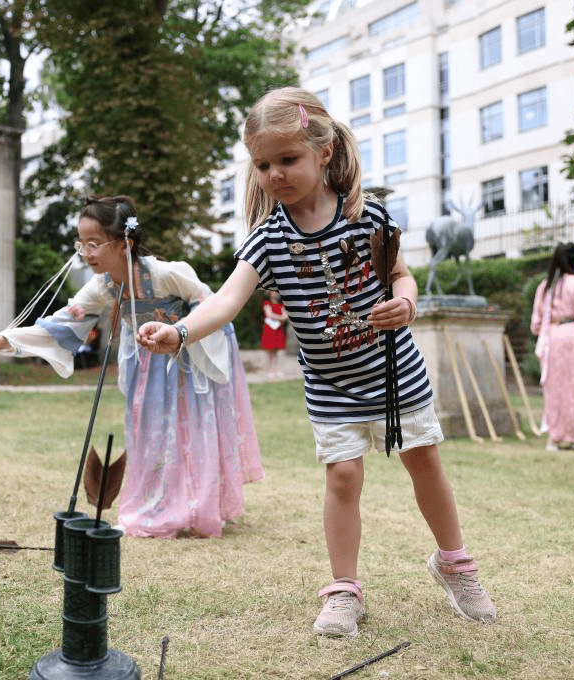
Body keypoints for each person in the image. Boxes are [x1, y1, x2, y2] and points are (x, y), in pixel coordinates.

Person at [137, 87, 495, 637]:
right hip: (331, 384)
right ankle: (344, 589)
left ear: (323, 152)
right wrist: (179, 331)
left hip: (395, 373)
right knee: (343, 477)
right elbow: (228, 301)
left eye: (288, 159)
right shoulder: (267, 240)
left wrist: (407, 301)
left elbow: (400, 274)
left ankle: (454, 561)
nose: (275, 174)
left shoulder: (366, 213)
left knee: (425, 464)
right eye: (263, 164)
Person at [0, 195, 264, 539]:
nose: (86, 252)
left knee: (190, 431)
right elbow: (60, 324)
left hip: (188, 364)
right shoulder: (101, 287)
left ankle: (200, 506)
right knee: (152, 436)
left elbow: (212, 304)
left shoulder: (167, 274)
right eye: (81, 243)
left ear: (124, 242)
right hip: (145, 369)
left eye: (94, 243)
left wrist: (178, 331)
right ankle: (158, 506)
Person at [530, 243, 574, 451]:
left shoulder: (545, 286)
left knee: (553, 388)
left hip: (549, 337)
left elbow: (535, 324)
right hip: (572, 335)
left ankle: (554, 436)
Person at [260, 289, 288, 376]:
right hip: (270, 329)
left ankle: (276, 370)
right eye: (273, 292)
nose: (275, 294)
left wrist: (276, 317)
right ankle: (269, 370)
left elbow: (285, 316)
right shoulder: (267, 303)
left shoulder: (281, 304)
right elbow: (269, 314)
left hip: (279, 329)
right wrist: (280, 317)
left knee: (276, 351)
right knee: (269, 351)